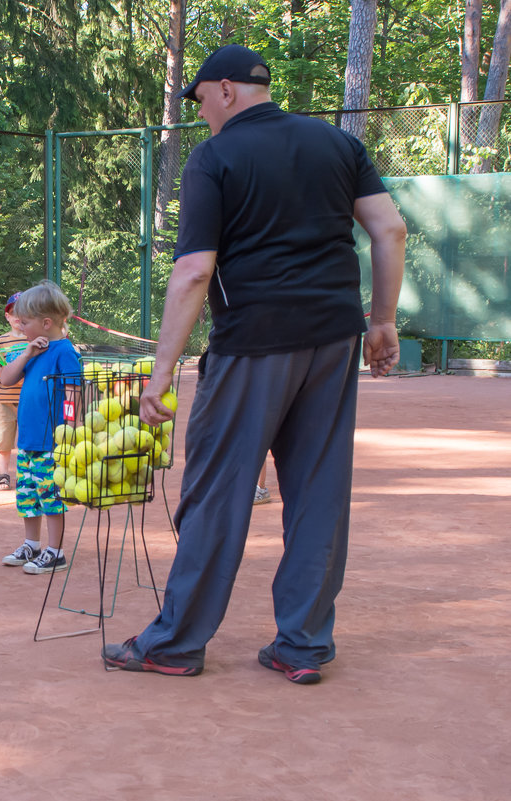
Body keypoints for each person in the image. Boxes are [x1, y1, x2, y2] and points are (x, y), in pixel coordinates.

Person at [102, 45, 406, 684]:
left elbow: (192, 271)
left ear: (226, 91)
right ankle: (302, 647)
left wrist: (162, 372)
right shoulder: (337, 144)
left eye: (201, 99)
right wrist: (381, 320)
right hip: (332, 340)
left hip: (253, 343)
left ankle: (175, 643)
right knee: (319, 493)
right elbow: (390, 230)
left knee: (217, 491)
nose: (201, 112)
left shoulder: (215, 156)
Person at [0, 280, 82, 574]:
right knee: (27, 496)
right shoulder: (33, 350)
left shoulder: (64, 352)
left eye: (26, 321)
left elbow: (73, 391)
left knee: (51, 498)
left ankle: (55, 552)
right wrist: (27, 354)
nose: (19, 326)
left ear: (46, 323)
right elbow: (6, 379)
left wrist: (68, 430)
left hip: (52, 442)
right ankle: (31, 545)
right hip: (28, 441)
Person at [0, 292, 29, 491]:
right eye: (14, 313)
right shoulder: (1, 341)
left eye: (22, 312)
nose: (18, 317)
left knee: (27, 439)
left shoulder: (34, 340)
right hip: (4, 400)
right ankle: (4, 474)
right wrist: (4, 373)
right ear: (7, 316)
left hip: (28, 400)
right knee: (3, 440)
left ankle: (24, 475)